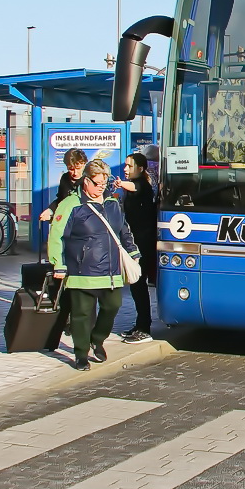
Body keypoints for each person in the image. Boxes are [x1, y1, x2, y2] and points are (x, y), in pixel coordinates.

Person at [48, 159, 141, 370]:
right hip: (82, 271)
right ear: (86, 181)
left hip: (111, 271)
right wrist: (59, 264)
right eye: (97, 183)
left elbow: (123, 229)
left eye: (104, 183)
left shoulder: (112, 203)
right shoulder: (71, 205)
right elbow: (57, 236)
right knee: (81, 314)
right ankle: (81, 354)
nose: (101, 188)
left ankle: (97, 339)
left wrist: (132, 250)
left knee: (113, 306)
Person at [119, 152, 158, 344]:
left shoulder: (142, 185)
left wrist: (119, 184)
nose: (126, 169)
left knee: (139, 285)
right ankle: (140, 324)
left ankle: (144, 327)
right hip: (135, 242)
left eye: (129, 166)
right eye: (125, 165)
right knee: (136, 286)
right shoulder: (135, 187)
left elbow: (134, 186)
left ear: (140, 169)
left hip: (142, 244)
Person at [38, 148, 88, 222]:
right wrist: (50, 211)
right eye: (71, 169)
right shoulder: (65, 178)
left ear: (84, 164)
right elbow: (61, 200)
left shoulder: (90, 179)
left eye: (78, 168)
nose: (75, 173)